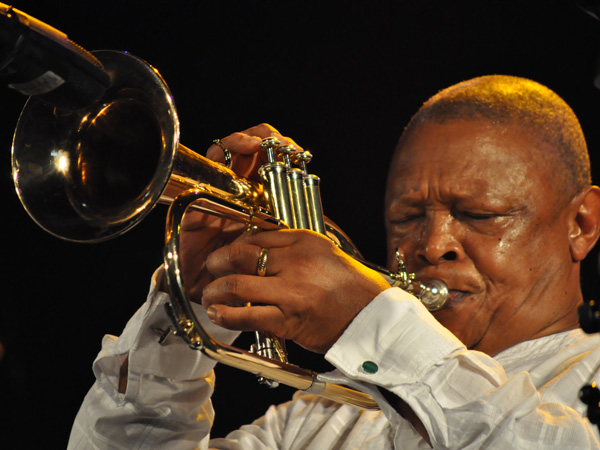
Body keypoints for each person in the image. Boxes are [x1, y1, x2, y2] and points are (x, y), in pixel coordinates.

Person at [68, 75, 600, 449]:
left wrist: (369, 321)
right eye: (408, 217)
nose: (433, 245)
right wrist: (188, 307)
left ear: (582, 224)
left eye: (480, 215)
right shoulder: (322, 417)